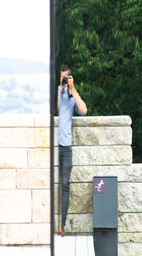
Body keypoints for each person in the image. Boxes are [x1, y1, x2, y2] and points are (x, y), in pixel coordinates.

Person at [57, 64, 87, 237]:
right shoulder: (59, 92)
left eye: (66, 77)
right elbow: (58, 108)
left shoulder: (72, 94)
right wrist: (61, 89)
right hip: (56, 147)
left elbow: (83, 110)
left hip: (66, 147)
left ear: (70, 77)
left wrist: (72, 89)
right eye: (62, 77)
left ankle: (62, 225)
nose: (63, 80)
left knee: (65, 185)